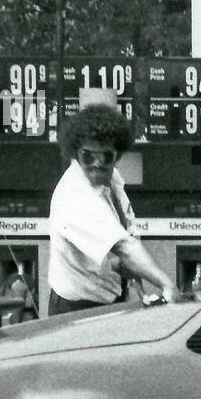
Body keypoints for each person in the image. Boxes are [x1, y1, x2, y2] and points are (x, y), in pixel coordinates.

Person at [47, 104, 179, 315]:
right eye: (88, 156)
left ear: (117, 155)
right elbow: (124, 247)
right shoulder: (76, 194)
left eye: (106, 156)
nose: (97, 164)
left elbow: (122, 242)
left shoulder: (112, 178)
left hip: (107, 299)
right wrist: (166, 284)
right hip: (78, 308)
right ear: (75, 153)